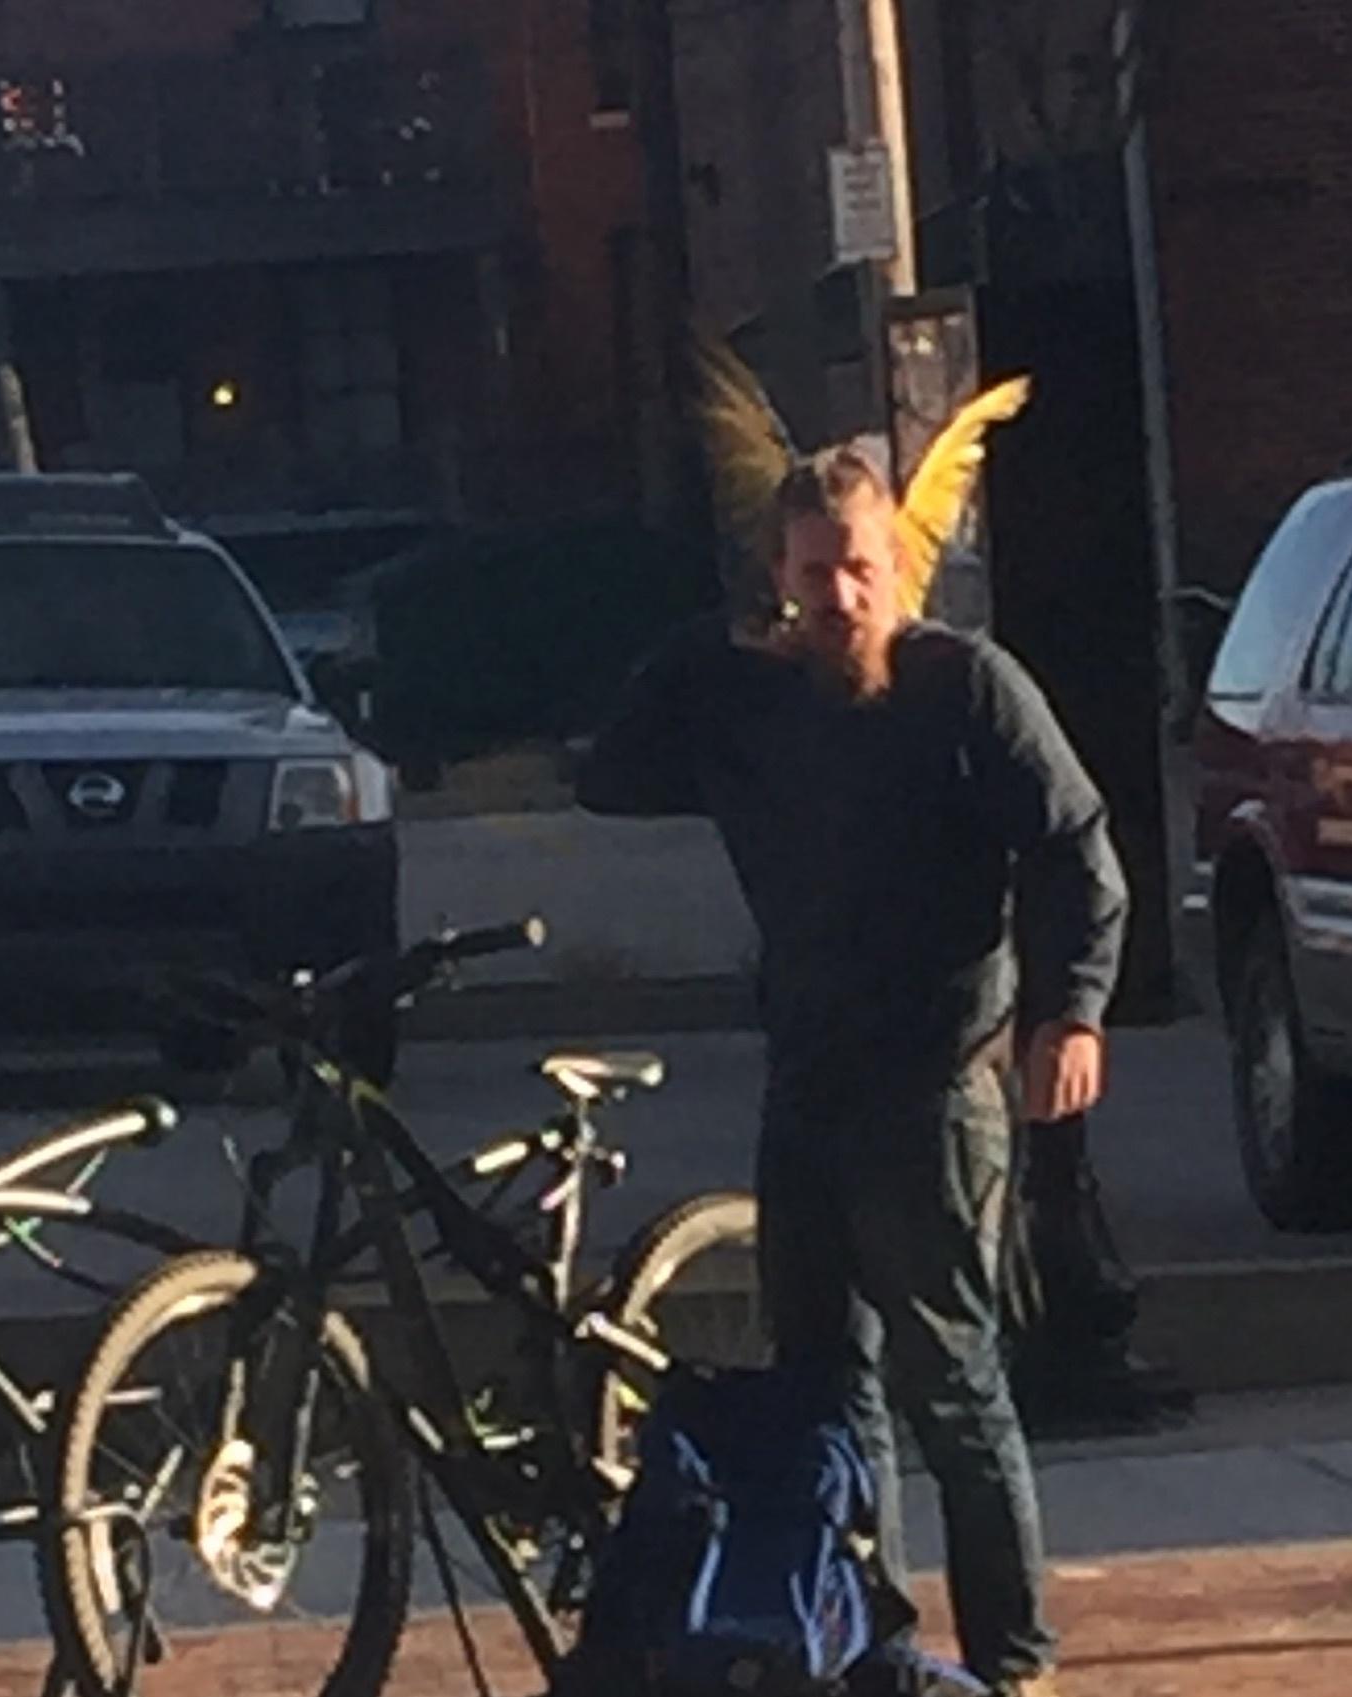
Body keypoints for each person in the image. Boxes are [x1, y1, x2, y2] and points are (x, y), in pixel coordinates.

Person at [577, 444, 1129, 1697]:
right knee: (824, 1393)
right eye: (816, 574)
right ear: (778, 575)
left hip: (932, 1088)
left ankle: (1014, 1664)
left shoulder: (964, 688)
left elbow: (1076, 848)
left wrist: (1070, 1014)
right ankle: (860, 1646)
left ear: (899, 567)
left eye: (861, 571)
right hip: (806, 1082)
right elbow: (609, 775)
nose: (841, 598)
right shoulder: (743, 697)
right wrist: (711, 652)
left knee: (954, 1386)